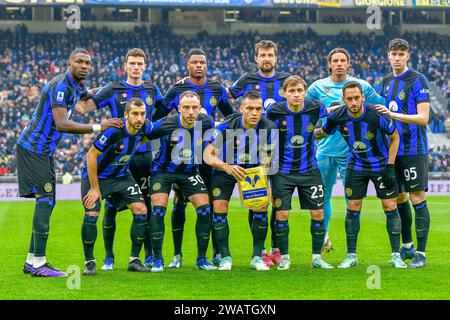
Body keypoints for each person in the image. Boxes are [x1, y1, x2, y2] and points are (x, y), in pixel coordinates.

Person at [17, 48, 122, 277]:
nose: (84, 66)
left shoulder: (77, 86)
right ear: (69, 63)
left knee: (48, 202)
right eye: (79, 62)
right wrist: (98, 126)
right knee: (44, 201)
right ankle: (38, 264)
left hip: (44, 152)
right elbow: (63, 123)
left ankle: (31, 260)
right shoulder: (61, 86)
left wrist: (112, 87)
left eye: (88, 63)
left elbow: (88, 96)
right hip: (34, 149)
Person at [76, 48, 164, 270]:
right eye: (132, 63)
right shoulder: (113, 90)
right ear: (125, 66)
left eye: (139, 64)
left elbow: (167, 110)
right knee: (106, 210)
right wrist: (77, 90)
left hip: (140, 158)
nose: (136, 67)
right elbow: (83, 108)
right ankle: (104, 258)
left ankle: (141, 258)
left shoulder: (152, 90)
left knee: (144, 207)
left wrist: (184, 87)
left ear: (145, 66)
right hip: (111, 158)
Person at [153, 48, 234, 269]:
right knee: (178, 203)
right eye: (194, 62)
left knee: (210, 205)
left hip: (204, 159)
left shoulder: (217, 88)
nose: (199, 66)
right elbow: (156, 119)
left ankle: (214, 254)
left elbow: (230, 116)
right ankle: (175, 255)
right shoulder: (176, 89)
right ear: (187, 65)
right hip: (174, 160)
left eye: (202, 62)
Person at [315, 81, 406, 269]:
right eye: (349, 99)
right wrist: (302, 134)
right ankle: (351, 256)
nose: (354, 102)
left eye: (357, 98)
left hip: (381, 165)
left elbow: (395, 137)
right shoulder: (337, 115)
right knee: (353, 206)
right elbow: (323, 132)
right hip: (356, 166)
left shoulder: (377, 114)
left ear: (363, 97)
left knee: (390, 205)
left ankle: (396, 255)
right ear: (343, 100)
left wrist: (390, 166)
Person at [306, 48, 386, 254]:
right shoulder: (317, 87)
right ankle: (324, 237)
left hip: (352, 153)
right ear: (329, 64)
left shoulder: (363, 87)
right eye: (335, 60)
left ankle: (352, 250)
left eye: (343, 60)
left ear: (349, 63)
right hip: (324, 150)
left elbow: (382, 108)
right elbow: (304, 110)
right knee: (323, 195)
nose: (339, 64)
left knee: (353, 200)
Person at [228, 40, 290, 266]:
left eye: (270, 55)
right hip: (253, 151)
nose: (267, 58)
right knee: (256, 199)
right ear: (256, 58)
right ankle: (260, 250)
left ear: (276, 57)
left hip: (281, 148)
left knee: (278, 200)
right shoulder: (247, 80)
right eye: (263, 55)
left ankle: (276, 247)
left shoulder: (285, 81)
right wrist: (233, 123)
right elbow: (226, 99)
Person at [265, 76, 335, 270]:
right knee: (282, 214)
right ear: (284, 93)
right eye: (292, 91)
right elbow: (262, 131)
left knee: (318, 213)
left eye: (299, 91)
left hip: (309, 170)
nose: (296, 95)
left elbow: (331, 114)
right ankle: (285, 257)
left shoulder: (315, 108)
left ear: (305, 92)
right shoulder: (274, 111)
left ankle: (316, 258)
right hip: (282, 172)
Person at [204, 90, 277, 271]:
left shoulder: (268, 127)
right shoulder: (227, 126)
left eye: (258, 109)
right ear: (242, 108)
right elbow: (207, 155)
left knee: (260, 206)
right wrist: (226, 167)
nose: (254, 113)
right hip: (226, 169)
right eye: (250, 108)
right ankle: (225, 257)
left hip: (253, 171)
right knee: (219, 208)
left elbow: (269, 156)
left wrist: (262, 176)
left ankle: (257, 257)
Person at [377, 38, 432, 268]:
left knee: (417, 198)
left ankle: (421, 253)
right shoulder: (387, 81)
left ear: (408, 56)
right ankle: (407, 246)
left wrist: (394, 116)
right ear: (388, 55)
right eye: (393, 53)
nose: (397, 57)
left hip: (413, 150)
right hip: (393, 150)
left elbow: (424, 118)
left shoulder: (418, 79)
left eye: (401, 54)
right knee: (399, 198)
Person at [81, 98, 152, 275]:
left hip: (122, 177)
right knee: (92, 213)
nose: (139, 118)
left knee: (141, 210)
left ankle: (134, 260)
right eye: (135, 113)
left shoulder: (144, 128)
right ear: (126, 115)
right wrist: (95, 188)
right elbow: (91, 155)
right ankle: (89, 262)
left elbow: (161, 127)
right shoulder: (113, 131)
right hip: (98, 178)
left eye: (142, 114)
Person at [148, 91, 216, 272]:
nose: (191, 112)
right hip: (163, 171)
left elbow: (223, 129)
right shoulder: (165, 123)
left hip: (189, 172)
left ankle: (201, 259)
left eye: (195, 107)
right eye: (186, 108)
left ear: (200, 108)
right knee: (159, 210)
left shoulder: (206, 122)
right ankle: (158, 259)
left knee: (204, 210)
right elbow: (142, 135)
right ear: (179, 109)